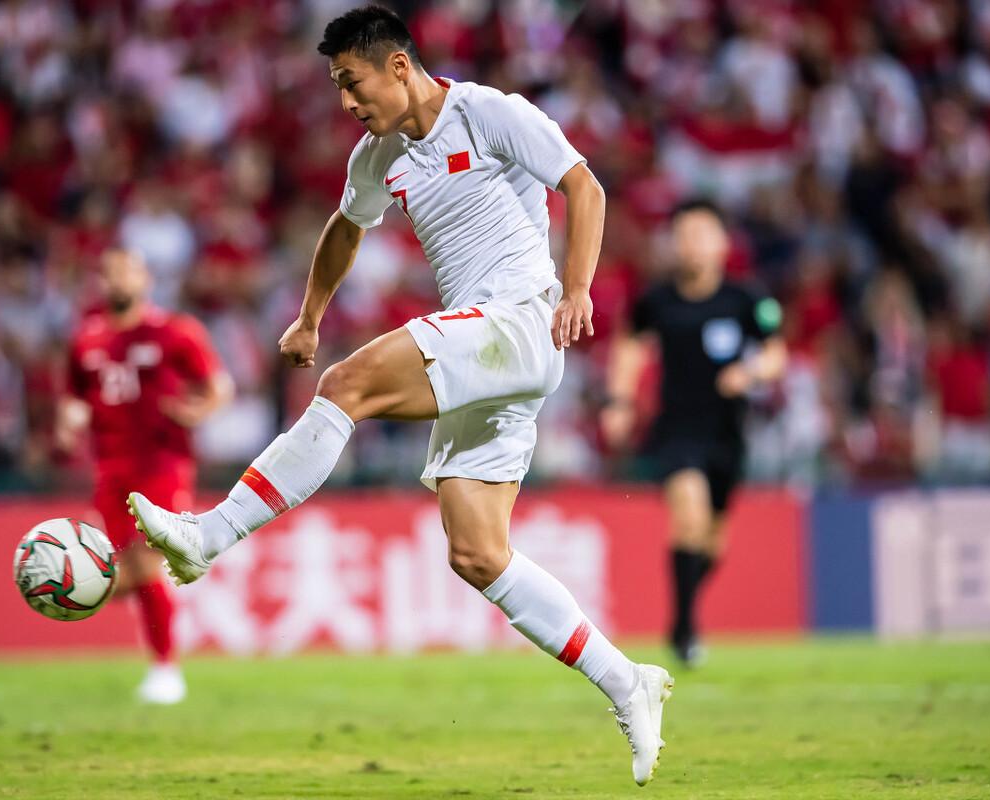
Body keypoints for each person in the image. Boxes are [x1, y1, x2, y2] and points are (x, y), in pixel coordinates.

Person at [128, 5, 674, 786]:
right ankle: (627, 682)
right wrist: (310, 316)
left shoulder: (487, 112)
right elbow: (345, 228)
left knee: (345, 386)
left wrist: (578, 288)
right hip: (488, 353)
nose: (346, 101)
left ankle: (208, 535)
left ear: (396, 66)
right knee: (477, 553)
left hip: (518, 321)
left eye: (352, 83)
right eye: (336, 87)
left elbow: (583, 186)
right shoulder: (378, 154)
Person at [602, 199, 787, 666]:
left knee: (712, 541)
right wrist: (620, 401)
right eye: (683, 235)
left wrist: (750, 372)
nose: (692, 245)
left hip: (727, 433)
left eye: (702, 234)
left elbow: (775, 354)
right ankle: (686, 632)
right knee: (689, 514)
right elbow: (631, 347)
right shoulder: (656, 301)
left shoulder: (747, 300)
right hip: (677, 430)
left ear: (723, 243)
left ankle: (681, 616)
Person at [57, 248, 231, 704]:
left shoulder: (175, 332)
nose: (118, 280)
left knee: (146, 563)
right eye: (109, 273)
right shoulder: (86, 340)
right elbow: (74, 396)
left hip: (162, 464)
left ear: (145, 279)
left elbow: (219, 386)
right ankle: (83, 591)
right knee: (130, 571)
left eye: (126, 271)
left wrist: (197, 411)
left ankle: (166, 668)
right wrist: (69, 421)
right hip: (109, 469)